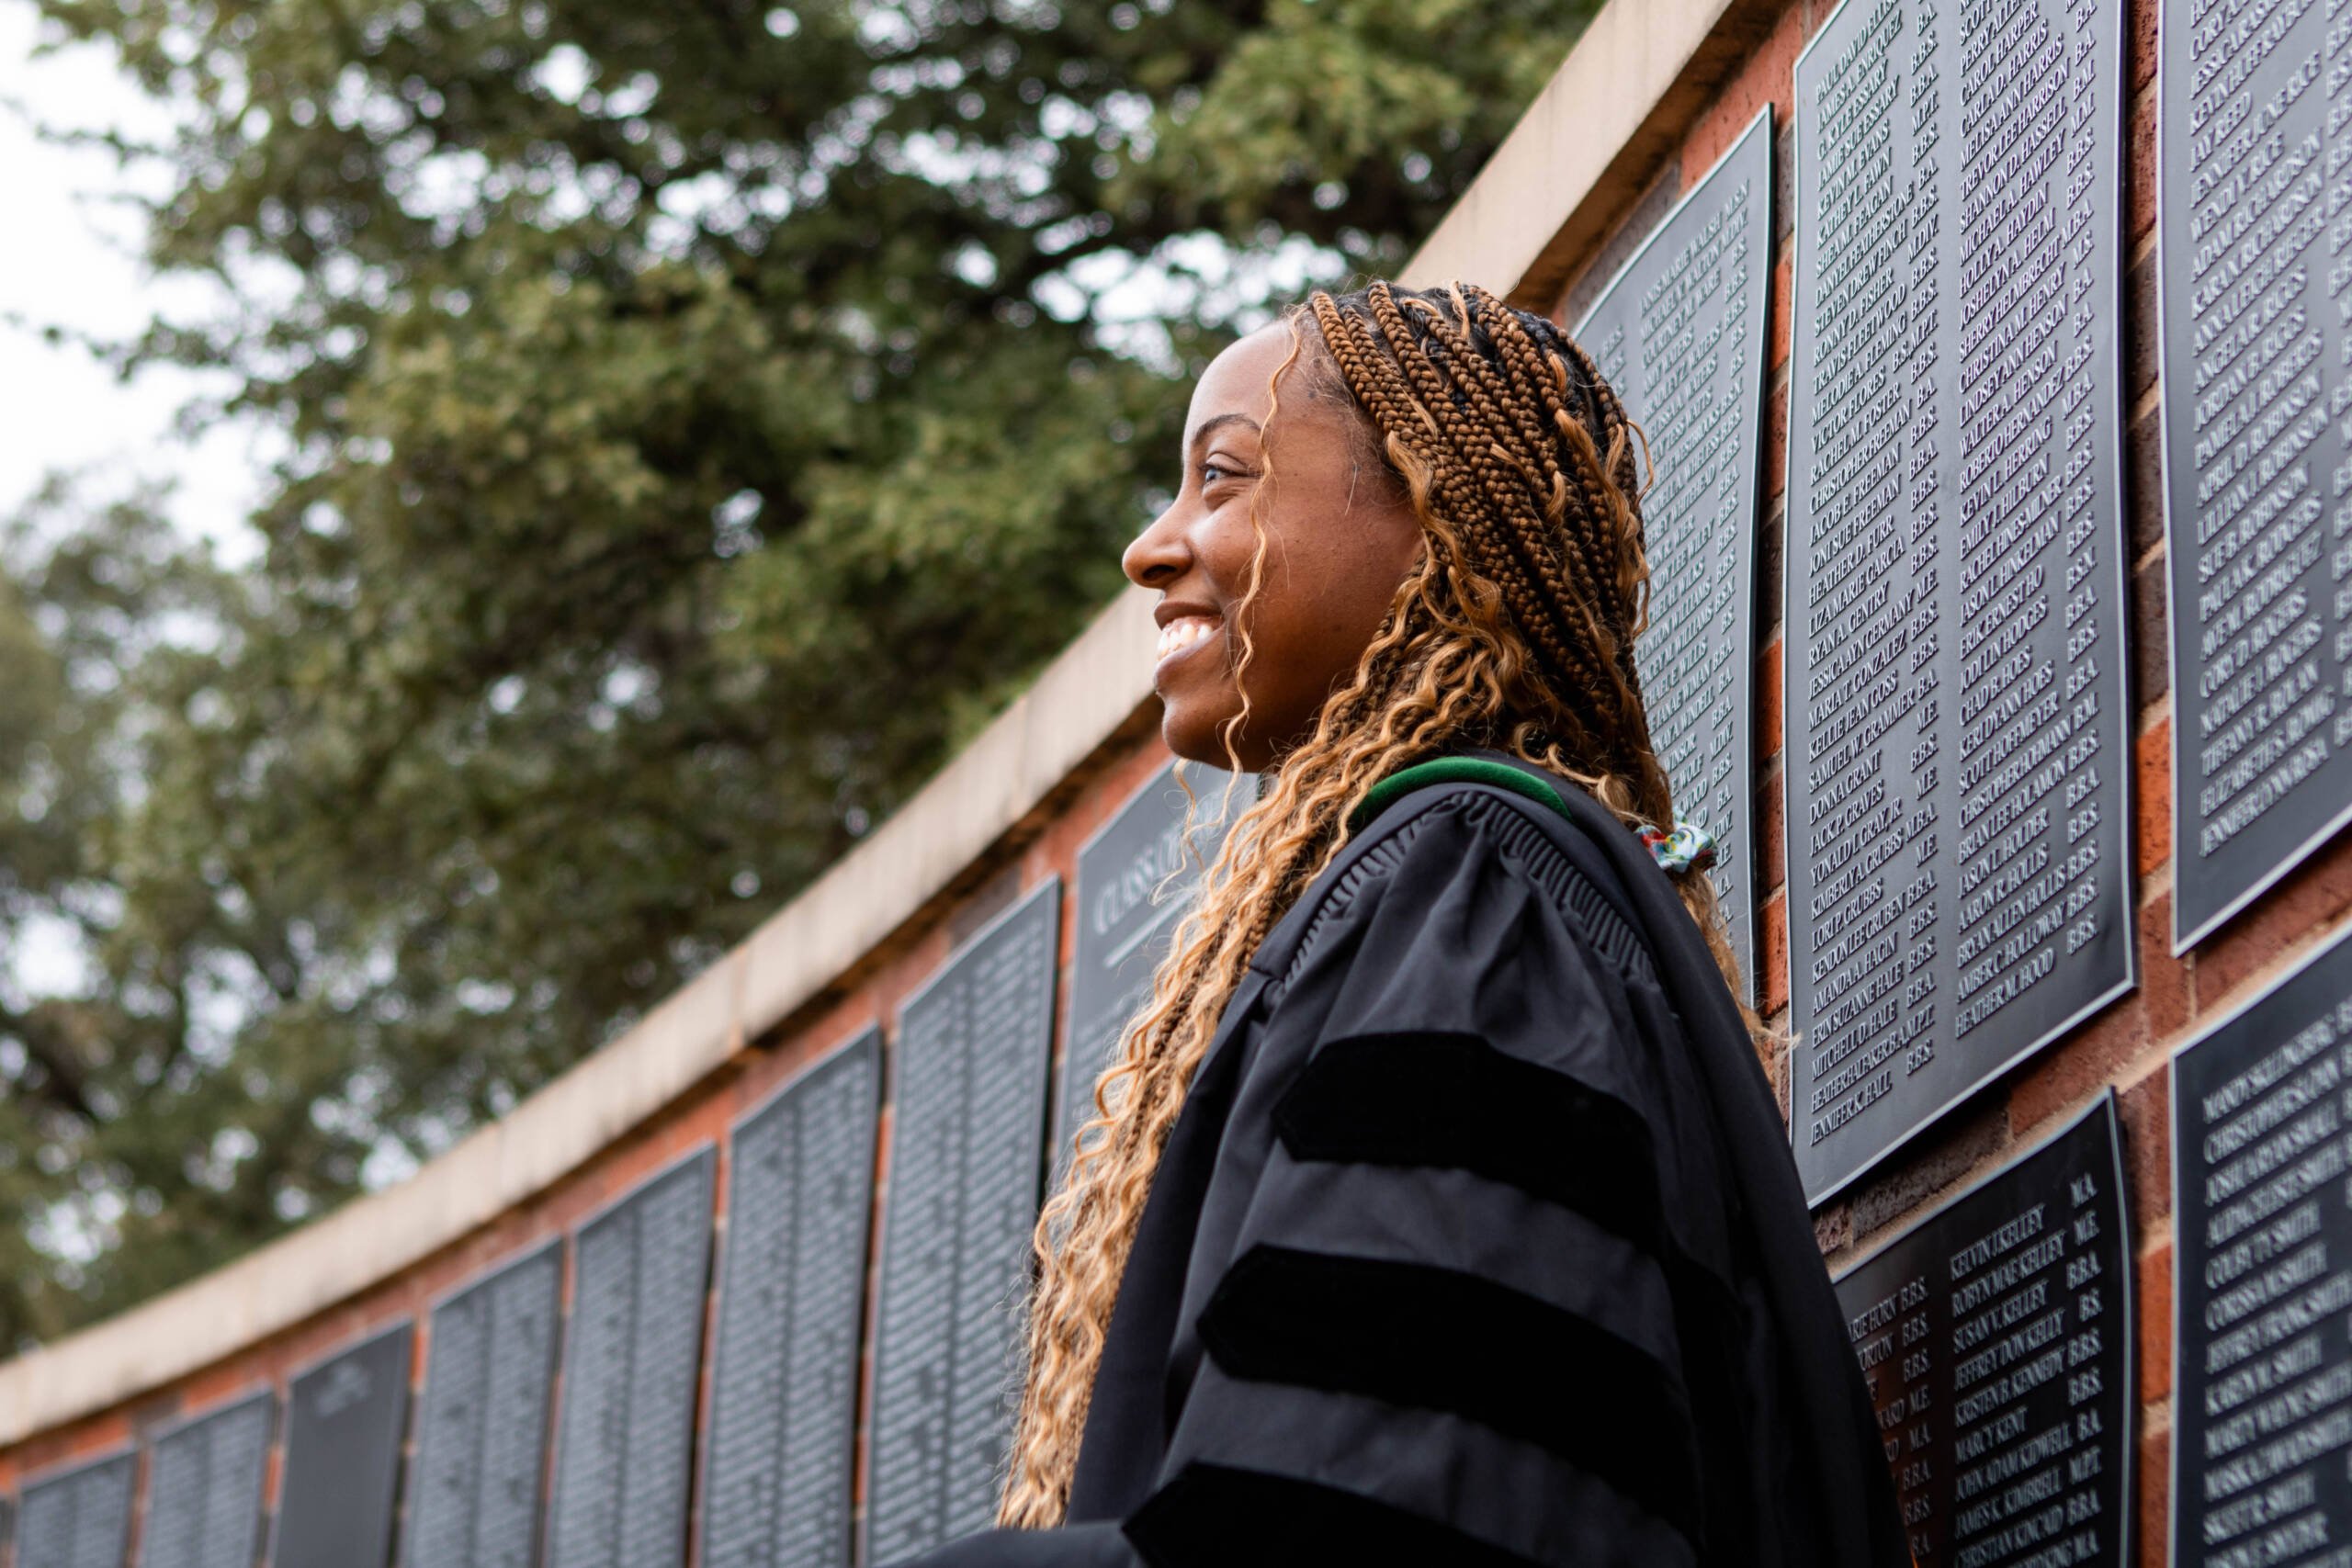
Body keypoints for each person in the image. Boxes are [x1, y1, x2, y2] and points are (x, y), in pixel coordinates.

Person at [895, 281, 1908, 1566]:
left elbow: (1370, 1522)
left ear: (1430, 521)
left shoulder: (1475, 913)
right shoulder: (1466, 890)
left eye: (1223, 477)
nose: (1152, 549)